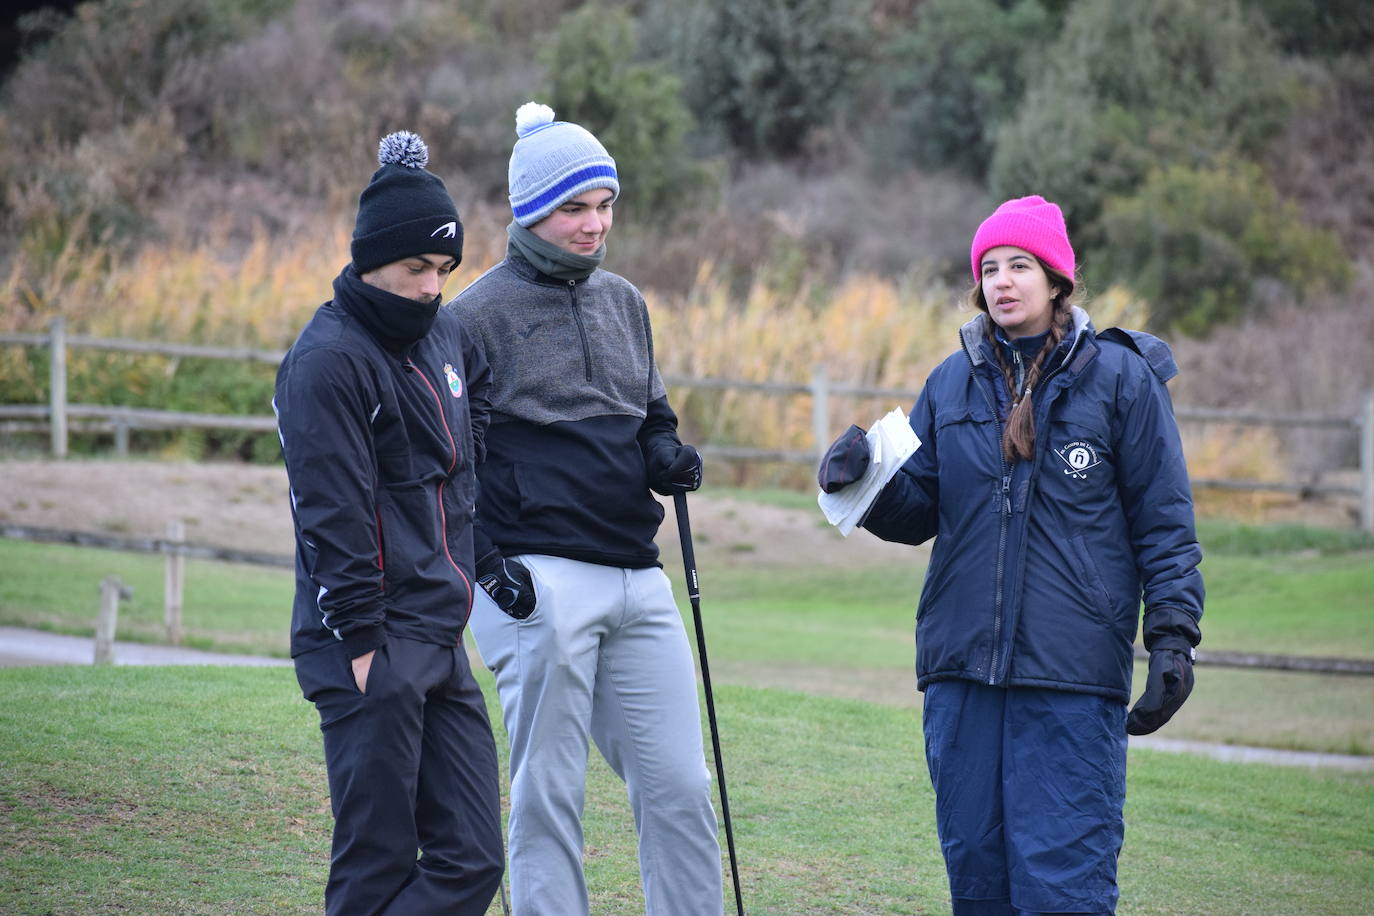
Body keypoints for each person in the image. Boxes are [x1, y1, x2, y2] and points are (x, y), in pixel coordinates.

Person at [819, 195, 1204, 915]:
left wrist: (1174, 638)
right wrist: (863, 484)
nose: (1002, 281)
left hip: (1070, 678)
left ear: (1057, 278)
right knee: (978, 880)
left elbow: (1165, 522)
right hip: (961, 675)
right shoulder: (951, 381)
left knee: (1064, 886)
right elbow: (922, 513)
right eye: (990, 268)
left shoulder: (1123, 381)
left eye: (1019, 265)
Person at [448, 102, 723, 916]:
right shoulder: (471, 317)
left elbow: (652, 421)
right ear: (529, 208)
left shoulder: (625, 301)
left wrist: (666, 457)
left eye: (604, 205)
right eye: (575, 207)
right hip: (533, 579)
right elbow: (447, 469)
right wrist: (491, 572)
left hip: (637, 574)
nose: (594, 223)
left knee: (680, 785)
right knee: (547, 794)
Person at [274, 130, 504, 916]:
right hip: (367, 645)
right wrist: (366, 645)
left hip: (438, 635)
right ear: (371, 259)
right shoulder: (327, 361)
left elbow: (462, 466)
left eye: (443, 271)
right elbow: (330, 514)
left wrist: (467, 582)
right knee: (374, 867)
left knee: (472, 859)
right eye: (416, 269)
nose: (431, 288)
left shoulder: (443, 331)